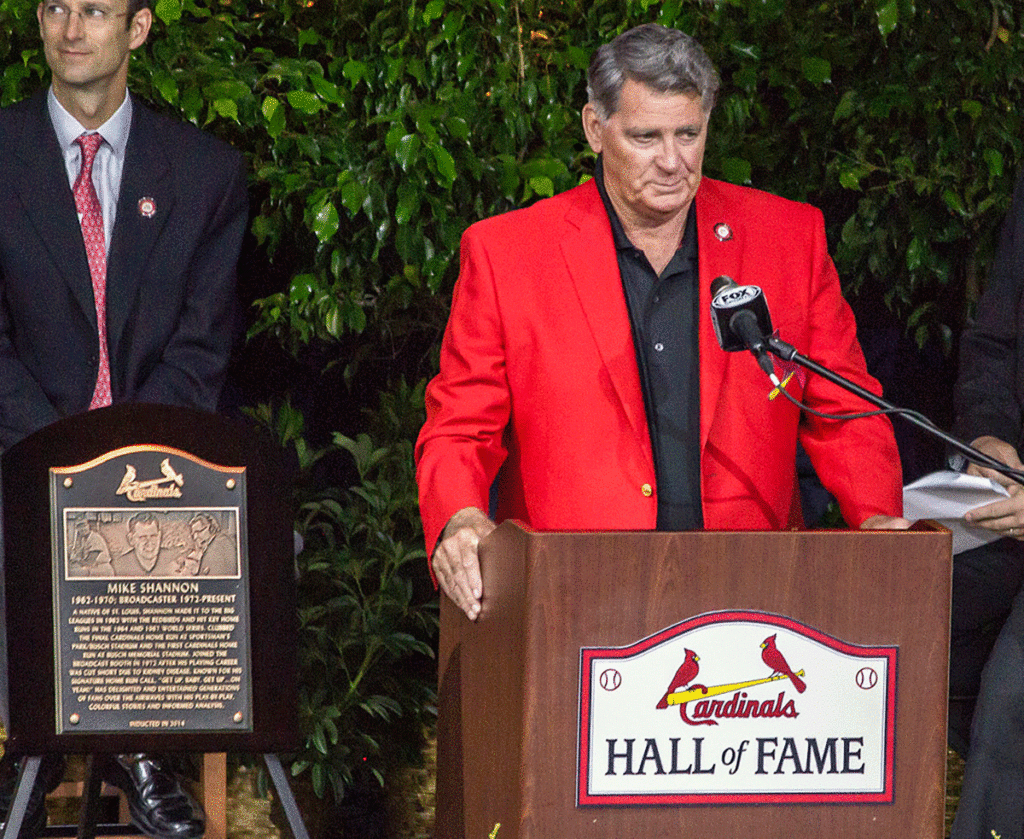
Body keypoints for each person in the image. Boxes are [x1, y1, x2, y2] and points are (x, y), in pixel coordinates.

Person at [415, 23, 908, 622]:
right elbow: (459, 428)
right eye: (646, 137)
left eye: (688, 134)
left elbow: (846, 409)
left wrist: (879, 520)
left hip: (752, 594)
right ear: (595, 130)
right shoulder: (508, 254)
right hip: (573, 599)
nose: (672, 162)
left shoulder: (788, 239)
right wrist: (462, 517)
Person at [0, 0, 247, 835]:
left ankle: (142, 745)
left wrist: (120, 464)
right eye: (54, 8)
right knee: (26, 524)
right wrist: (62, 459)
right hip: (18, 450)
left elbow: (202, 348)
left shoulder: (205, 173)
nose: (71, 28)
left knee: (184, 525)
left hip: (157, 457)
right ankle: (22, 754)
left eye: (95, 9)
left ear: (138, 28)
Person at [948, 170, 1024, 839]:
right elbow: (993, 342)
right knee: (894, 620)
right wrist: (988, 433)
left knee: (1012, 694)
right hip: (1008, 506)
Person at [111, 512, 185, 577]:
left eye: (153, 536)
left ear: (159, 536)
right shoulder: (118, 566)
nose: (149, 542)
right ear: (131, 540)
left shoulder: (175, 559)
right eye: (143, 537)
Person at [184, 512, 237, 576]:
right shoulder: (210, 545)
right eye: (193, 534)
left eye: (199, 531)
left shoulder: (221, 543)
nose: (195, 537)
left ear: (210, 527)